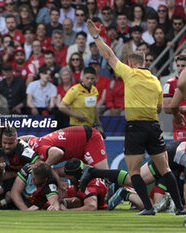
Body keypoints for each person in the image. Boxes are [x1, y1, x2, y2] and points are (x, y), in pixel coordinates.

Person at [80, 19, 186, 215]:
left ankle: (148, 207)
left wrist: (96, 36)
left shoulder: (130, 74)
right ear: (145, 63)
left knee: (134, 172)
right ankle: (180, 208)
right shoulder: (155, 80)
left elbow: (109, 55)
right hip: (154, 128)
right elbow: (160, 108)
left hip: (135, 128)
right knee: (166, 170)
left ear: (130, 63)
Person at [59, 67, 103, 131]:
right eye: (87, 78)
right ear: (82, 77)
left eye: (92, 78)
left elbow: (94, 108)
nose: (89, 81)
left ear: (95, 78)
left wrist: (99, 125)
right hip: (76, 127)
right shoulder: (74, 90)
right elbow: (61, 106)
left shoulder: (94, 90)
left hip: (90, 126)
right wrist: (76, 115)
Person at [163, 55, 186, 141]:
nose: (180, 68)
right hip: (181, 127)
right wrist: (183, 108)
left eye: (183, 66)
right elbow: (167, 109)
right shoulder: (170, 83)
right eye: (178, 65)